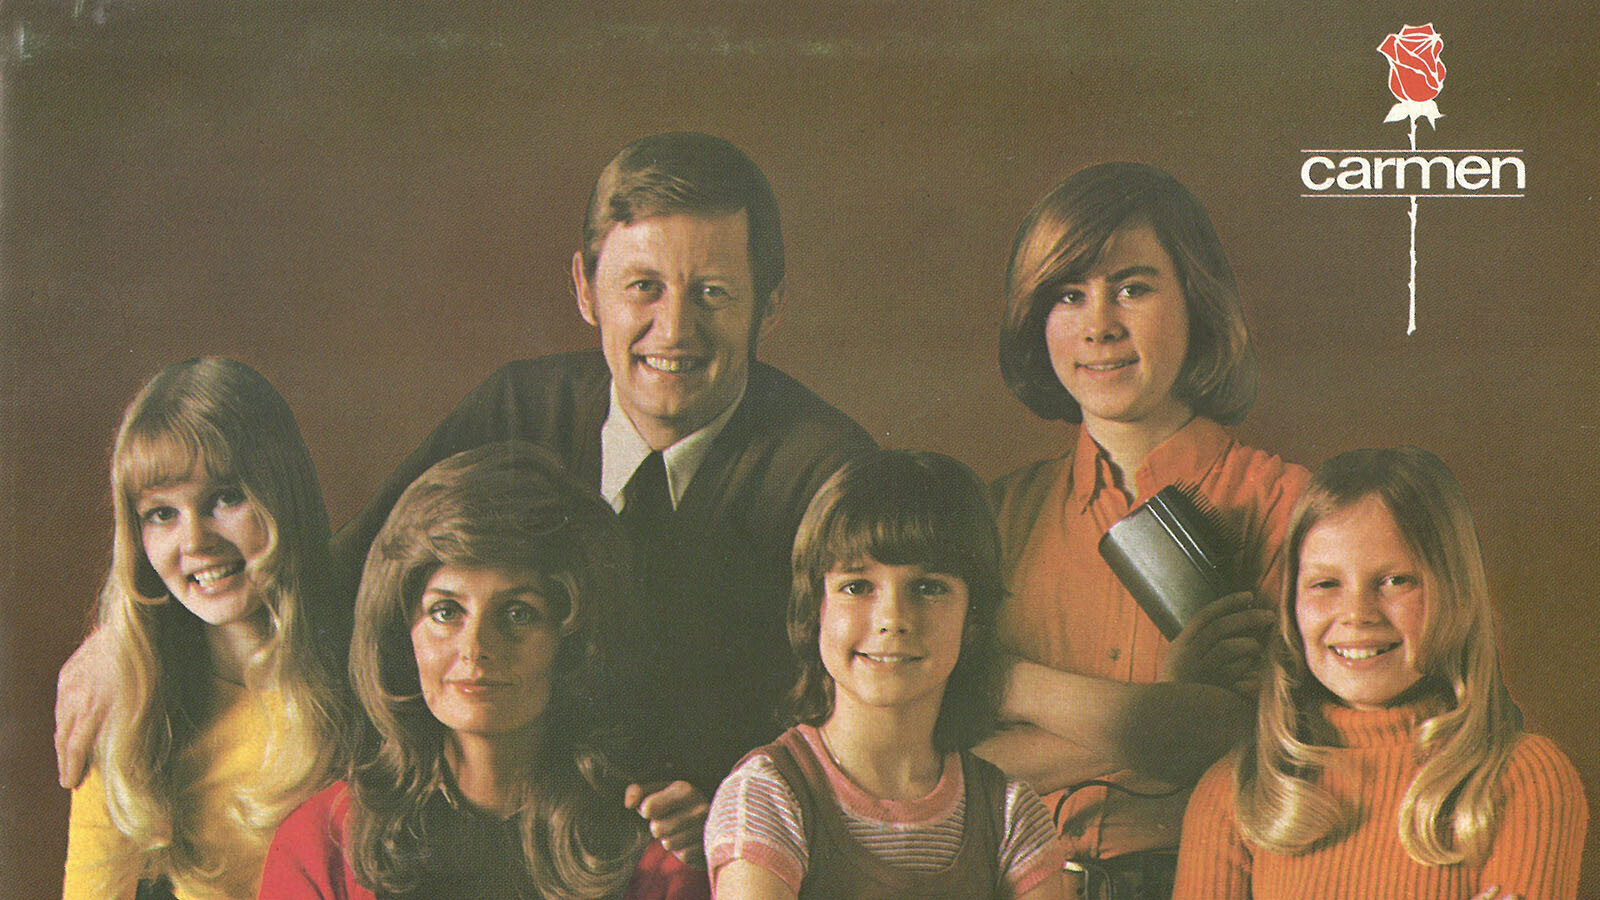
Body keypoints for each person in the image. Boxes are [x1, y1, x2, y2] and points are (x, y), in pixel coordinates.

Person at [57, 132, 875, 798]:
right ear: (585, 289)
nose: (674, 328)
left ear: (771, 304)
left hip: (713, 850)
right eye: (643, 287)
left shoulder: (828, 473)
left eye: (714, 294)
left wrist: (734, 808)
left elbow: (879, 702)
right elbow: (342, 580)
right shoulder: (519, 410)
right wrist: (126, 637)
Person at [977, 162, 1312, 898]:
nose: (1098, 325)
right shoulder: (994, 518)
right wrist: (1168, 715)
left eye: (1133, 288)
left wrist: (1010, 686)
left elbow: (1288, 744)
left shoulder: (1292, 508)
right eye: (1068, 295)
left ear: (1197, 299)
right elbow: (943, 765)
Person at [260, 442, 710, 900]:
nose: (476, 649)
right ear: (401, 632)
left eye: (518, 613)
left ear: (573, 638)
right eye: (445, 612)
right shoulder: (322, 842)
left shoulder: (655, 848)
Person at [1171, 447, 1588, 900]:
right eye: (1325, 584)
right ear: (1292, 605)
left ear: (1457, 594)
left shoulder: (1524, 778)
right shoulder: (1234, 795)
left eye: (1395, 581)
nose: (1357, 614)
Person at [707, 450, 1066, 900]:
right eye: (856, 587)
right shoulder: (768, 796)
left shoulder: (1011, 814)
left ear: (972, 618)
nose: (893, 618)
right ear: (814, 609)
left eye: (929, 587)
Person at [61, 358, 351, 900]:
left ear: (283, 493)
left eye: (225, 498)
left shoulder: (370, 659)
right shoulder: (131, 710)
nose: (195, 541)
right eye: (161, 514)